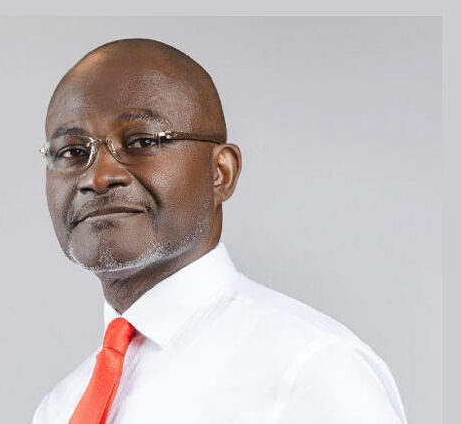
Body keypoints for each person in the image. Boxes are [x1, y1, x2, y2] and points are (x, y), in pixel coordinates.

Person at [32, 38, 407, 424]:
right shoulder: (59, 407)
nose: (97, 177)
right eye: (72, 152)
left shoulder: (311, 370)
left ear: (221, 172)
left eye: (142, 141)